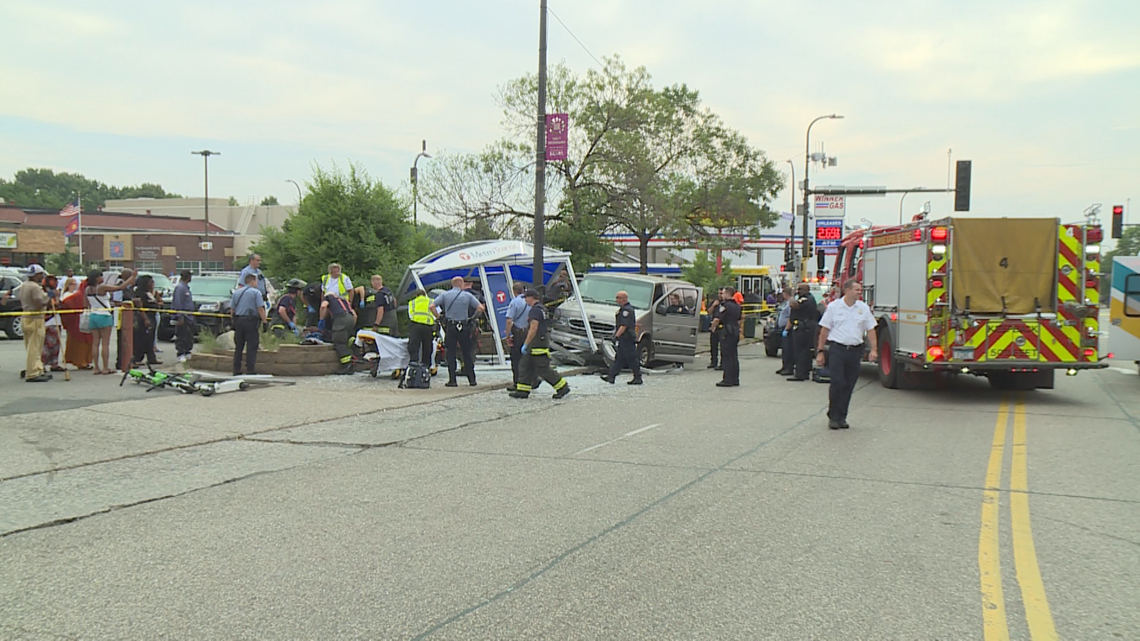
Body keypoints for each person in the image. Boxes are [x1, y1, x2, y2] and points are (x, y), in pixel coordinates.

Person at [817, 279, 878, 429]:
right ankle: (833, 415)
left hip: (855, 351)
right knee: (838, 382)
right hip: (838, 349)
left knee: (849, 385)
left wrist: (874, 350)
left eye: (860, 290)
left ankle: (842, 416)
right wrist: (820, 351)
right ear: (847, 290)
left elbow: (871, 329)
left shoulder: (863, 308)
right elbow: (824, 330)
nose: (860, 292)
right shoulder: (834, 307)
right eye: (857, 289)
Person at [509, 288, 570, 400]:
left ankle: (562, 387)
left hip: (537, 343)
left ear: (531, 297)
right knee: (525, 366)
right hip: (538, 341)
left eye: (526, 298)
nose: (525, 300)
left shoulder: (535, 310)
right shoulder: (542, 309)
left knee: (542, 368)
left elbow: (533, 327)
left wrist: (526, 343)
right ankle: (523, 390)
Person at [431, 276, 484, 387]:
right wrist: (472, 318)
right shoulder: (467, 295)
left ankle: (452, 380)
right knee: (467, 353)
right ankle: (472, 379)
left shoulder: (445, 295)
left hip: (451, 326)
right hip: (464, 326)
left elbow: (432, 306)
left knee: (451, 353)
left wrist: (439, 317)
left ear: (452, 284)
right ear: (462, 284)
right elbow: (480, 308)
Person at [86, 269, 132, 374]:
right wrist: (131, 278)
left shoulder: (87, 289)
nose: (102, 278)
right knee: (105, 343)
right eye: (100, 276)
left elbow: (86, 303)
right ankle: (105, 367)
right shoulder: (102, 287)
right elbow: (120, 287)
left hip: (93, 315)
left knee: (95, 343)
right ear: (96, 278)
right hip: (104, 315)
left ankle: (96, 368)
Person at [19, 265, 54, 382]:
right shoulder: (34, 287)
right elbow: (40, 303)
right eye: (40, 275)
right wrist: (49, 296)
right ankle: (33, 372)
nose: (42, 277)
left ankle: (38, 368)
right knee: (35, 347)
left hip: (26, 316)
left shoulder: (24, 285)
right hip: (35, 318)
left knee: (31, 346)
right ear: (36, 275)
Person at [230, 273, 267, 376]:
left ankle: (236, 369)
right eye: (256, 281)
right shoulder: (256, 293)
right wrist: (264, 322)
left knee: (239, 346)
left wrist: (233, 322)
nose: (257, 283)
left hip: (239, 321)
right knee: (251, 346)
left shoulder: (236, 293)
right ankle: (250, 369)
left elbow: (232, 309)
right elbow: (260, 308)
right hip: (251, 321)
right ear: (252, 281)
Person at [602, 290, 642, 385]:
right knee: (619, 358)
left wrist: (616, 336)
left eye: (618, 298)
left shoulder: (626, 310)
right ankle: (611, 376)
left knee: (631, 358)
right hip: (624, 338)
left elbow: (624, 325)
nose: (616, 300)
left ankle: (638, 377)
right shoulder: (624, 309)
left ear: (623, 299)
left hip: (627, 338)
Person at [710, 286, 742, 387]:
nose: (722, 295)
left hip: (726, 332)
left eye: (723, 293)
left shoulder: (725, 306)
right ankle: (735, 379)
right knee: (733, 356)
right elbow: (739, 319)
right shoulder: (737, 306)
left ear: (728, 294)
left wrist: (712, 328)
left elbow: (717, 319)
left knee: (727, 356)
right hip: (735, 331)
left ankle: (727, 379)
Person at [59, 275, 93, 370]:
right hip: (77, 322)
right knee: (80, 341)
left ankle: (85, 361)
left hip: (82, 320)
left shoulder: (81, 294)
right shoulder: (73, 296)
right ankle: (81, 361)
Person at [321, 288, 357, 375]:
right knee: (348, 339)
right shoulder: (343, 300)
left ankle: (347, 365)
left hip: (340, 319)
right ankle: (355, 351)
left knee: (339, 342)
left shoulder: (328, 297)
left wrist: (321, 320)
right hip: (350, 318)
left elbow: (323, 306)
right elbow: (355, 315)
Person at [787, 282, 819, 382]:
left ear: (806, 290)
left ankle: (800, 374)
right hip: (805, 328)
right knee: (805, 352)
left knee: (800, 352)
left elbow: (794, 305)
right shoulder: (808, 298)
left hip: (803, 329)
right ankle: (804, 372)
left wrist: (791, 296)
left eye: (800, 289)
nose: (798, 291)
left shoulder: (806, 299)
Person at [503, 282, 529, 392]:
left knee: (516, 359)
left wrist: (508, 335)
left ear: (514, 291)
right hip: (529, 332)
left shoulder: (515, 302)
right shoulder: (529, 302)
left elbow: (509, 320)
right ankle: (529, 381)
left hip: (518, 333)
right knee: (527, 358)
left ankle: (517, 383)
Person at [131, 275, 161, 366]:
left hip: (152, 316)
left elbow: (156, 303)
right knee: (142, 339)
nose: (152, 284)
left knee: (150, 339)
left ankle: (151, 358)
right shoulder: (140, 294)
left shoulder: (150, 293)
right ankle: (137, 358)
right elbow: (140, 307)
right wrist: (146, 319)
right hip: (144, 317)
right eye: (150, 282)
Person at [406, 289, 437, 366]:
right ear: (425, 295)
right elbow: (436, 313)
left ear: (416, 295)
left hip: (415, 325)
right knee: (427, 346)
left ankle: (414, 362)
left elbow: (411, 315)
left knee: (414, 344)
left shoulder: (412, 302)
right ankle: (426, 364)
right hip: (428, 326)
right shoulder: (431, 301)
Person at [171, 271, 196, 363]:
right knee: (182, 335)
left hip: (189, 316)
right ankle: (180, 353)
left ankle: (187, 351)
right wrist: (180, 316)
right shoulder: (180, 288)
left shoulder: (186, 288)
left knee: (189, 335)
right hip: (183, 316)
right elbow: (178, 303)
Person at [775, 288, 795, 376]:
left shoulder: (791, 302)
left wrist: (787, 329)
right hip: (782, 327)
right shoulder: (786, 302)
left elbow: (791, 317)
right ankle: (784, 366)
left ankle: (789, 368)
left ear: (786, 294)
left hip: (787, 328)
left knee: (788, 349)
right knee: (784, 349)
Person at [707, 289, 725, 370]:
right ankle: (713, 361)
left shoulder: (726, 304)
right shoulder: (715, 302)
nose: (720, 295)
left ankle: (722, 363)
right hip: (714, 327)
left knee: (723, 346)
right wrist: (713, 305)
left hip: (723, 327)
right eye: (719, 293)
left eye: (721, 293)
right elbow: (709, 312)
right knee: (713, 345)